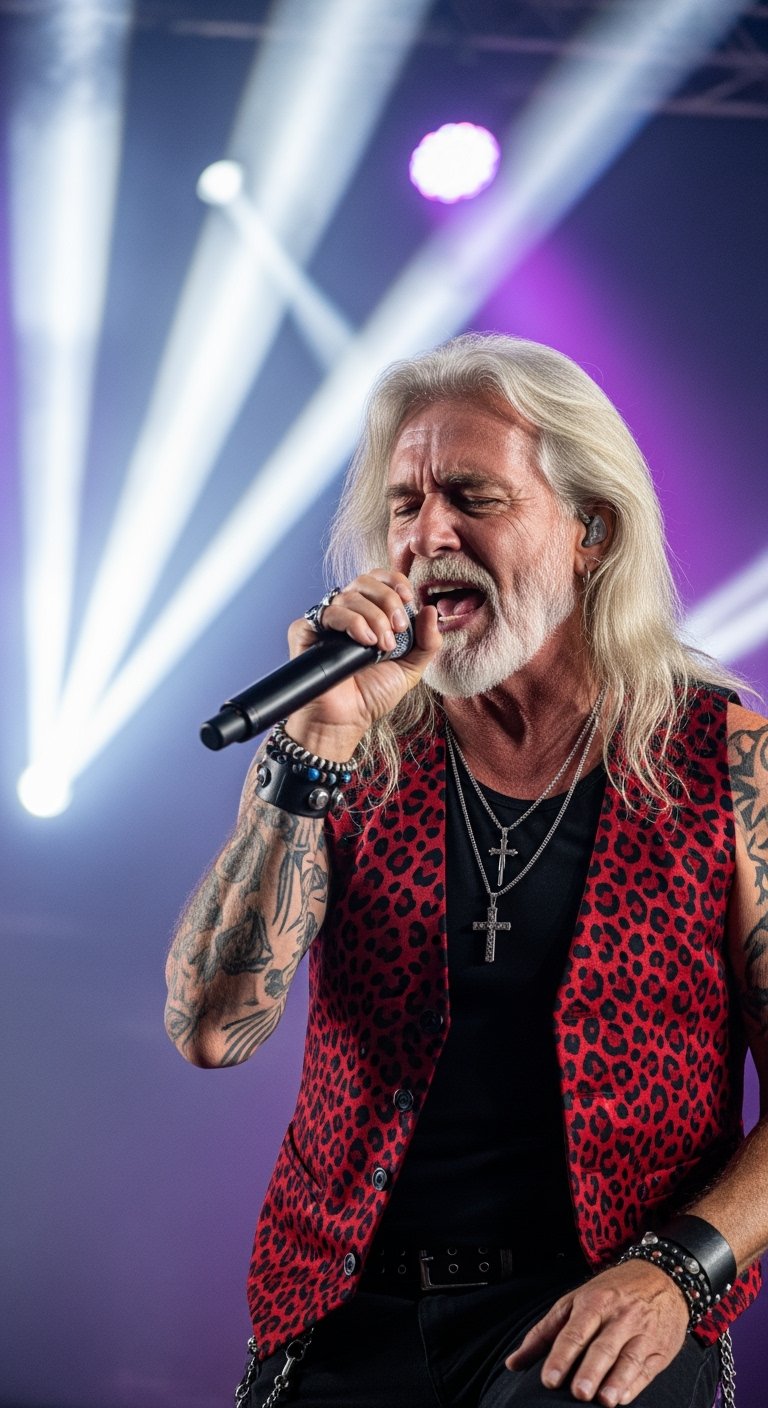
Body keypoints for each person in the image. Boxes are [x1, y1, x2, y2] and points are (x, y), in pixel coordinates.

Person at [164, 334, 767, 1408]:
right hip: (347, 1309)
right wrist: (317, 740)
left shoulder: (723, 760)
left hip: (597, 1306)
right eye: (405, 505)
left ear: (591, 531)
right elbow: (213, 1029)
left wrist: (680, 1271)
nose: (428, 536)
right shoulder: (341, 747)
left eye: (473, 498)